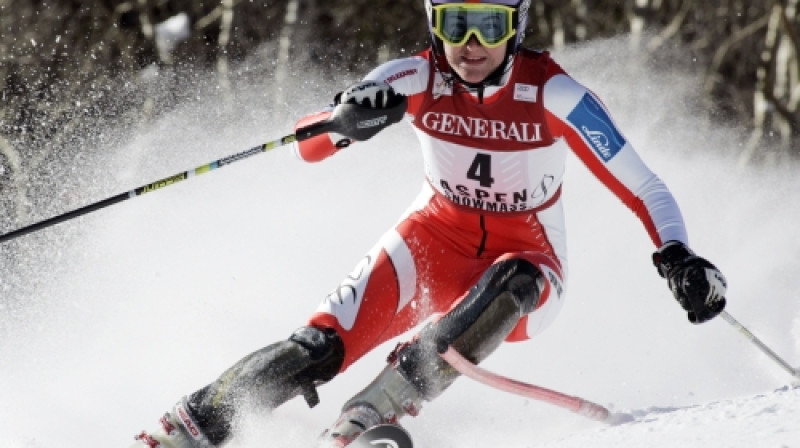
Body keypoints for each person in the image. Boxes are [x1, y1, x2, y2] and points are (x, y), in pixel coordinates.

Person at [131, 0, 728, 447]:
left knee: (513, 280)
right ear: (433, 24)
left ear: (515, 27)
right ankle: (184, 430)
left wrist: (677, 255)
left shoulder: (555, 95)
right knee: (316, 347)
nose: (470, 44)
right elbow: (304, 146)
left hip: (529, 262)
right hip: (430, 240)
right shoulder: (417, 76)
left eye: (489, 26)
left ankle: (369, 414)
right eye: (454, 24)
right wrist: (347, 116)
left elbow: (644, 185)